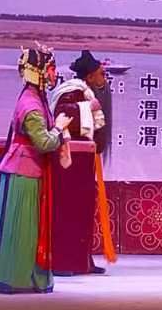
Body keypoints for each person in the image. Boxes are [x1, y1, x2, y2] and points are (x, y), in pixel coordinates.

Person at [0, 44, 72, 294]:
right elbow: (43, 143)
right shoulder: (31, 105)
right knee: (23, 229)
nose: (54, 74)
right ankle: (16, 277)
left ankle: (24, 277)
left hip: (27, 170)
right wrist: (59, 128)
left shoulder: (34, 98)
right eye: (51, 68)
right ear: (39, 71)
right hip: (24, 173)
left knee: (28, 229)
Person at [50, 50, 116, 275]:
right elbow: (62, 115)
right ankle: (63, 263)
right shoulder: (71, 92)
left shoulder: (85, 92)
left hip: (83, 164)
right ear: (89, 76)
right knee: (68, 210)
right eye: (101, 74)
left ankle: (82, 261)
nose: (103, 78)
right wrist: (88, 108)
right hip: (70, 164)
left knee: (84, 210)